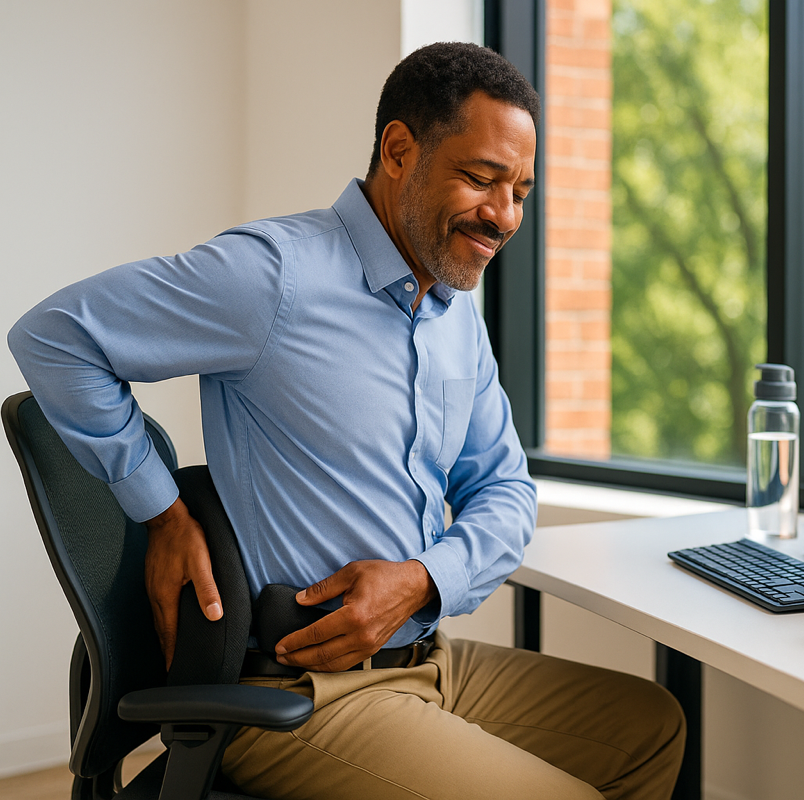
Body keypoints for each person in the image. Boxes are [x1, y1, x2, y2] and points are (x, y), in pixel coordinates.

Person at [9, 42, 684, 800]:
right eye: (481, 178)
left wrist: (425, 579)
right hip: (300, 694)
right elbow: (53, 335)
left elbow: (505, 489)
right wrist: (160, 510)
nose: (504, 215)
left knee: (651, 725)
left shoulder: (455, 314)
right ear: (400, 151)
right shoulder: (274, 276)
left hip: (429, 660)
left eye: (522, 191)